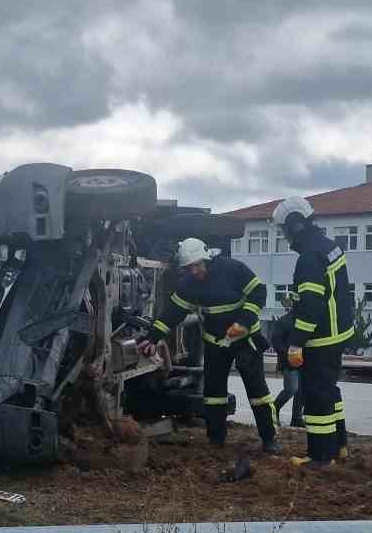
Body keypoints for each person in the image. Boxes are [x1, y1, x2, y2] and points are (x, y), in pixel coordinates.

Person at [139, 238, 281, 454]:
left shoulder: (233, 269)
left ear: (207, 259)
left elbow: (259, 292)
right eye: (189, 268)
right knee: (214, 394)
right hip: (215, 344)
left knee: (257, 392)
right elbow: (172, 313)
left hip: (245, 340)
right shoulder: (188, 285)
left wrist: (243, 322)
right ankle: (216, 439)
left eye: (197, 265)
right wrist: (153, 336)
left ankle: (270, 439)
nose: (194, 271)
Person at [272, 196, 353, 467]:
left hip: (322, 338)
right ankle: (339, 446)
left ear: (295, 226)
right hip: (338, 332)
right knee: (330, 391)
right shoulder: (329, 247)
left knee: (317, 397)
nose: (285, 237)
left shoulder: (309, 259)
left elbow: (311, 308)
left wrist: (296, 343)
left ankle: (320, 456)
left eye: (284, 230)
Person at [268, 296, 304, 427]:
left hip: (304, 362)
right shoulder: (284, 321)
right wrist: (288, 354)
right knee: (292, 389)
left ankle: (296, 418)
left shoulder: (306, 322)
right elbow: (276, 341)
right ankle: (274, 409)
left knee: (302, 391)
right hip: (288, 363)